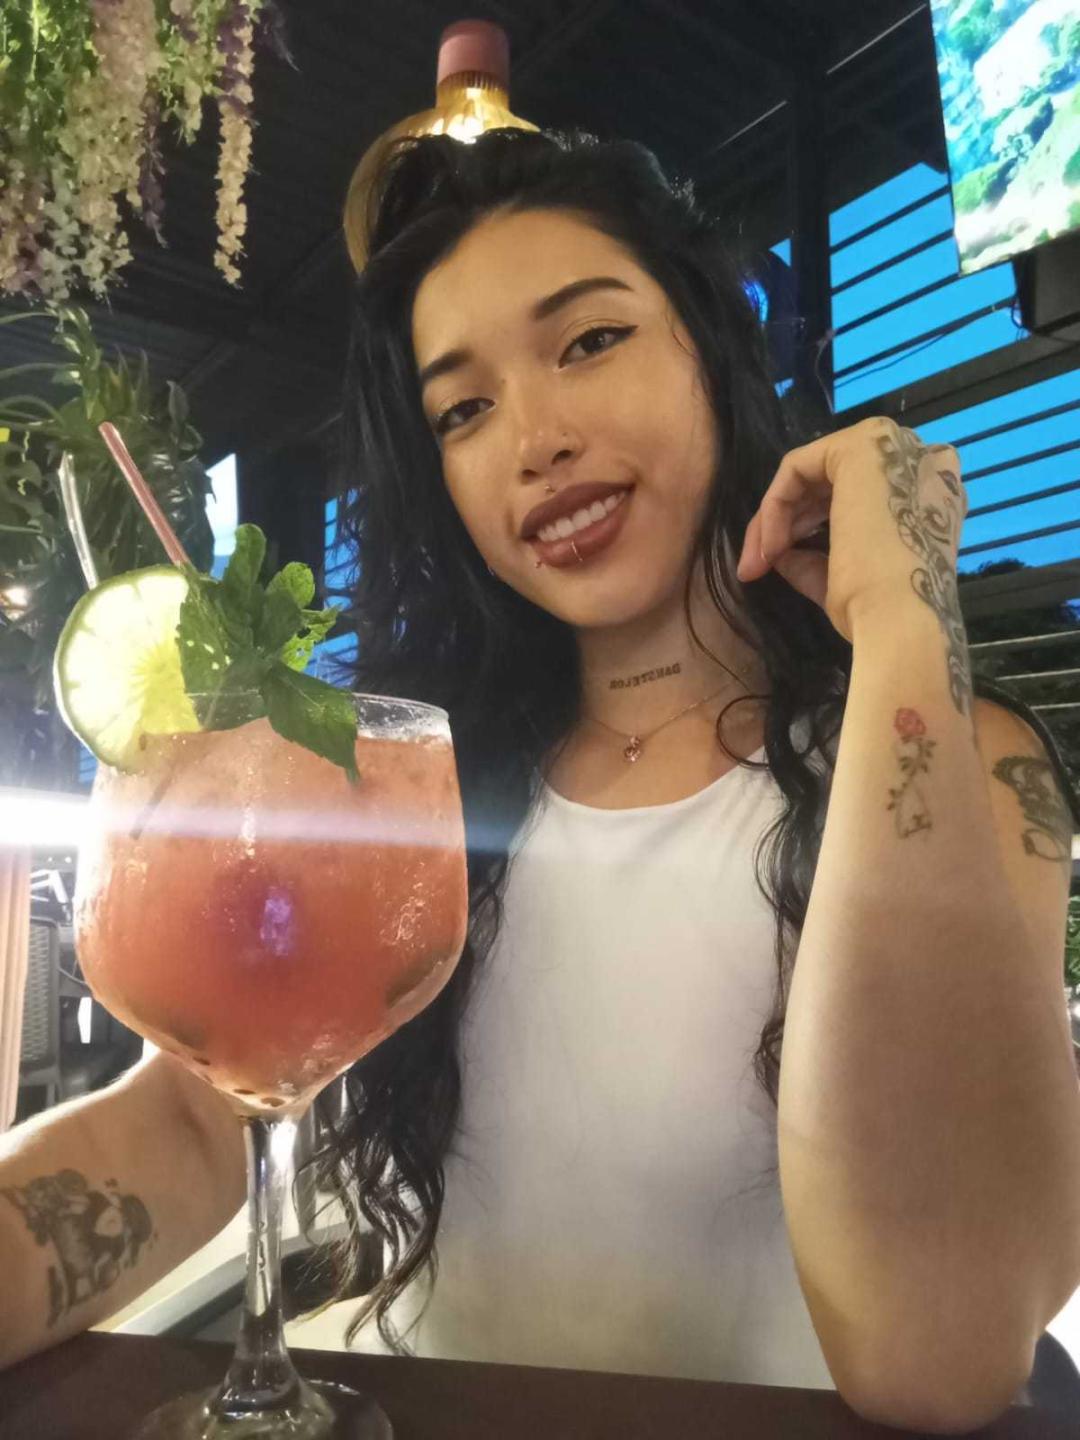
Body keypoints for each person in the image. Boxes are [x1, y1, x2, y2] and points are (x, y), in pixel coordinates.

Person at [1, 127, 1077, 1430]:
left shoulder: (962, 761)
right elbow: (192, 1124)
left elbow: (940, 1349)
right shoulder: (406, 794)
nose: (536, 439)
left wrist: (906, 617)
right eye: (462, 410)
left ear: (711, 350)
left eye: (589, 341)